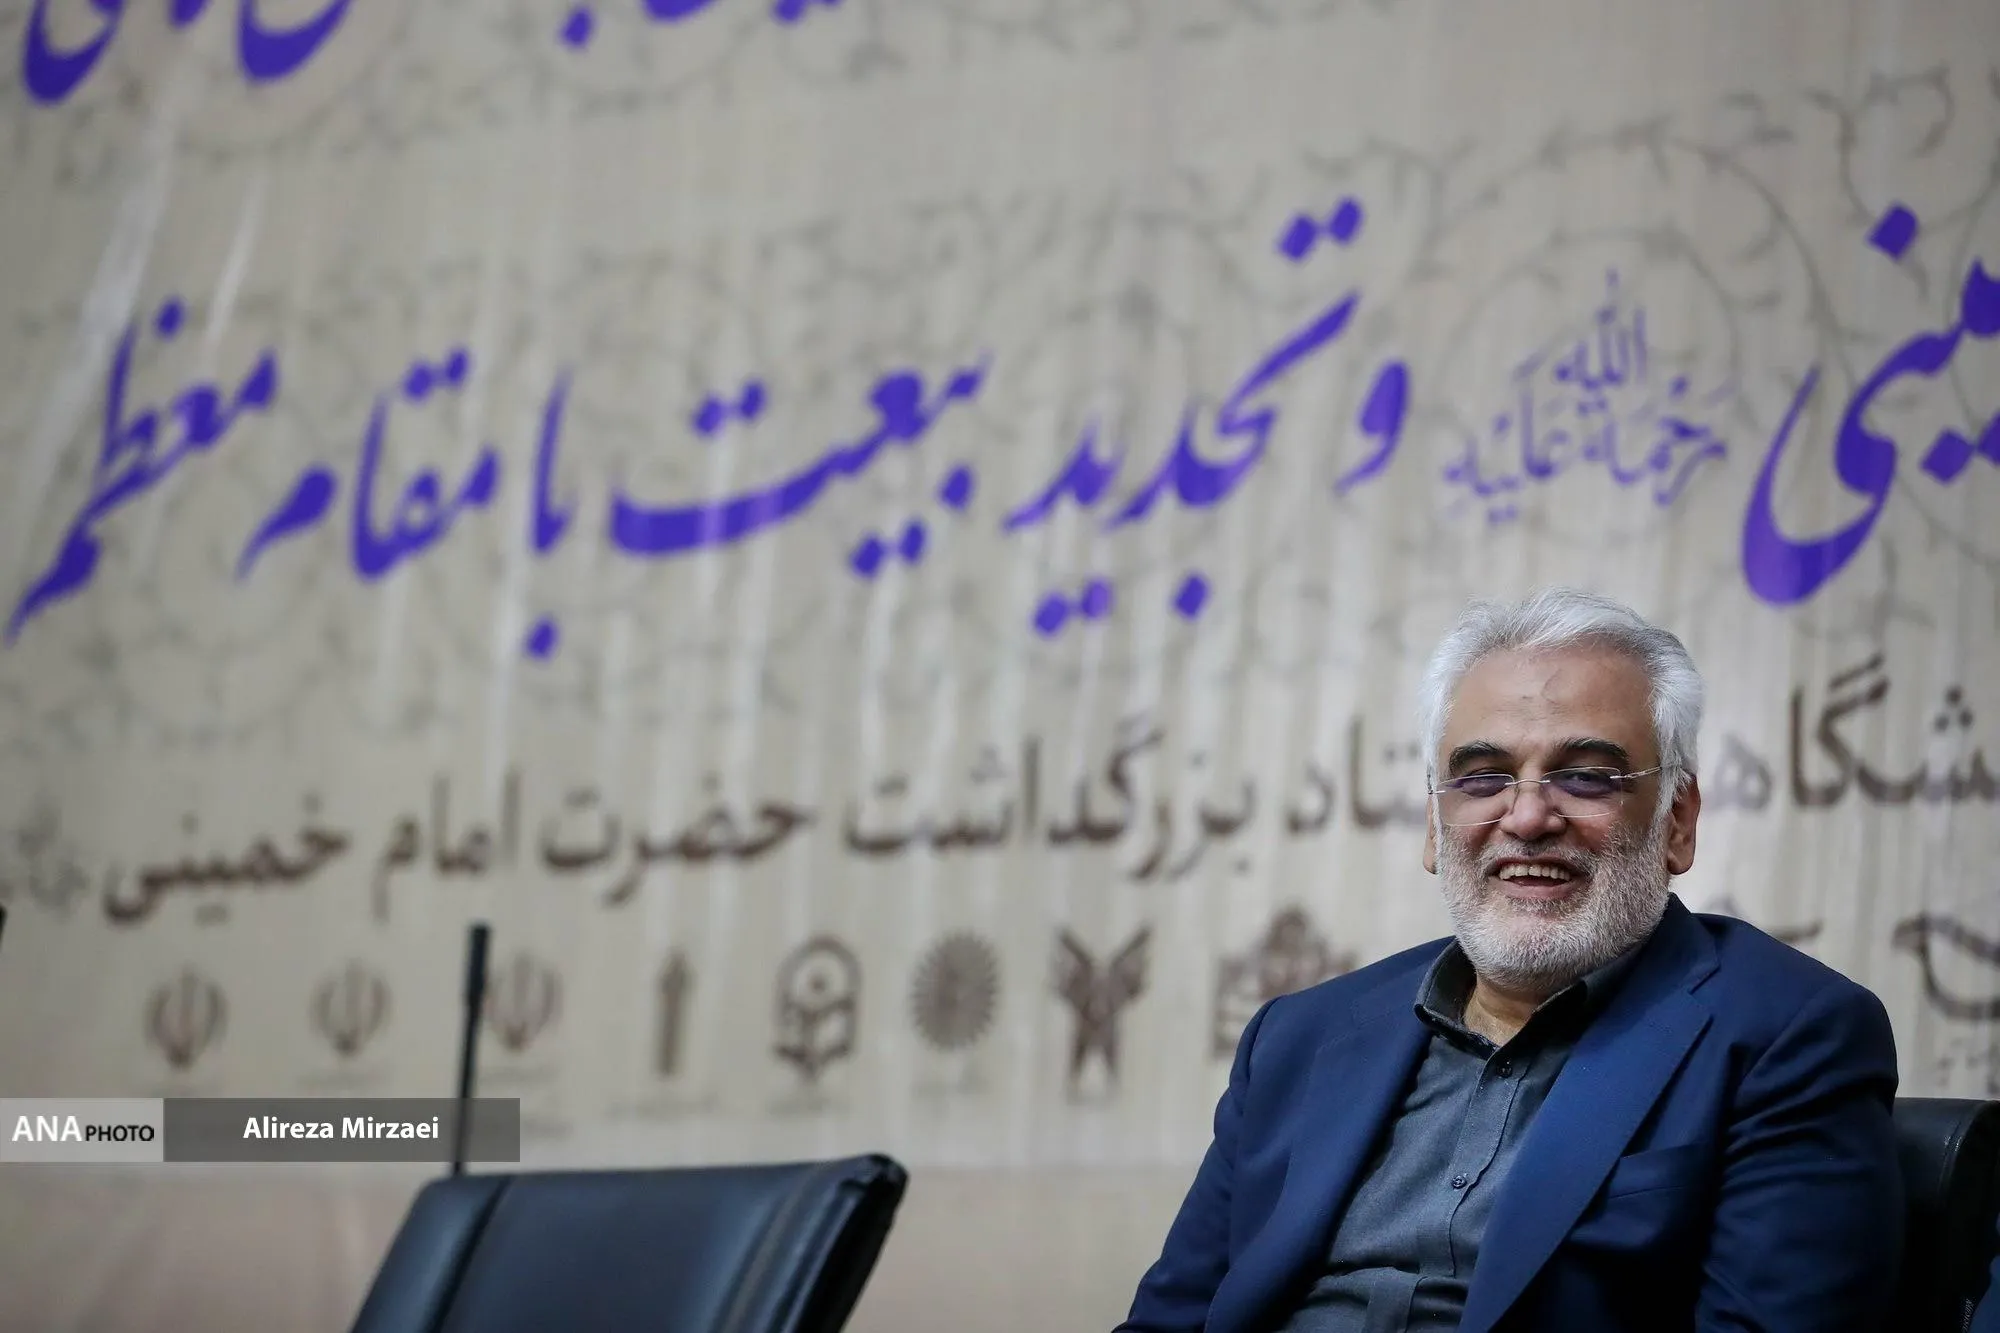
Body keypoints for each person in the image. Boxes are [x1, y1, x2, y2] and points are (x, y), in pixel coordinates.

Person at [1118, 588, 1902, 1333]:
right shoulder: (1297, 1038)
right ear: (1435, 823)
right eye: (1484, 777)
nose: (1527, 816)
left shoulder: (1788, 1034)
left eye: (1587, 776)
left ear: (1677, 820)